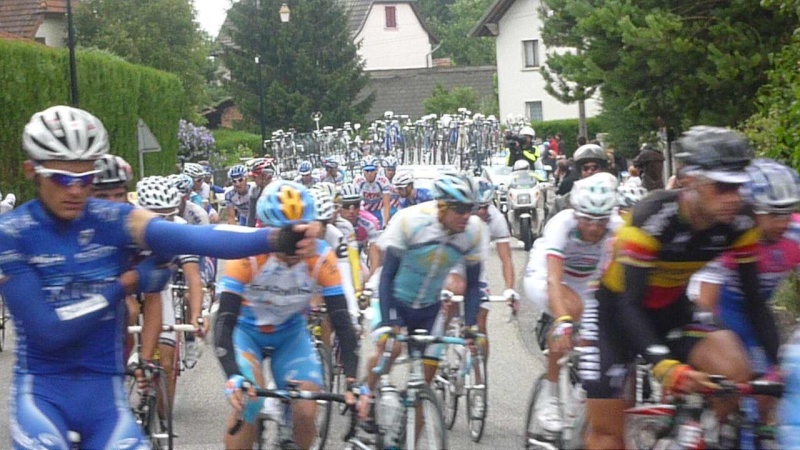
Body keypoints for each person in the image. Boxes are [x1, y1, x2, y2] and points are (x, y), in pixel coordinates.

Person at [0, 105, 321, 449]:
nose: (77, 190)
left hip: (105, 401)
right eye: (63, 178)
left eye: (86, 178)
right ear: (32, 171)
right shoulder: (13, 234)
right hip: (44, 396)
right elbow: (49, 331)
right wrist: (126, 284)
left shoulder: (113, 218)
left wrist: (276, 238)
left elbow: (198, 237)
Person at [581, 126, 770, 449]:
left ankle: (699, 434)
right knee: (609, 435)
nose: (733, 199)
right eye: (721, 187)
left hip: (673, 310)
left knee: (736, 374)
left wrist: (774, 369)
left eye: (739, 188)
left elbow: (755, 302)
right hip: (614, 314)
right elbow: (629, 304)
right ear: (688, 182)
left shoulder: (741, 222)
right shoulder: (652, 217)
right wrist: (666, 366)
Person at [214, 181, 359, 450]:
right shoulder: (247, 255)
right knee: (249, 401)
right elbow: (224, 322)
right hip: (245, 332)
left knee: (306, 408)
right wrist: (234, 376)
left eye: (304, 235)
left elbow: (342, 322)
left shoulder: (321, 258)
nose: (298, 247)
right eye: (289, 239)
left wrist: (352, 380)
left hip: (290, 334)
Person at [358, 171, 484, 426]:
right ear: (442, 206)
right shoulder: (410, 221)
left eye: (470, 208)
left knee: (422, 387)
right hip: (394, 299)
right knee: (390, 349)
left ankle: (408, 434)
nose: (466, 216)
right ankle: (366, 394)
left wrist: (471, 326)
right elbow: (387, 277)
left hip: (429, 308)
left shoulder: (472, 232)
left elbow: (473, 286)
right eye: (459, 209)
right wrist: (389, 322)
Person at [524, 173, 622, 435]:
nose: (593, 228)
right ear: (576, 212)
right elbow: (554, 280)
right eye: (587, 219)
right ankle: (550, 396)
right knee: (569, 313)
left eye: (601, 220)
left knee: (608, 336)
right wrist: (563, 321)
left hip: (586, 283)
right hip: (546, 276)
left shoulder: (618, 228)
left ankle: (582, 393)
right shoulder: (561, 224)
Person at [693, 159, 800, 376]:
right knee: (734, 380)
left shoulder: (795, 233)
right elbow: (704, 303)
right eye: (772, 214)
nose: (782, 223)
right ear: (750, 211)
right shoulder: (725, 237)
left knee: (772, 384)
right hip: (719, 311)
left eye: (787, 213)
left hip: (756, 310)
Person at [444, 177, 518, 363]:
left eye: (487, 206)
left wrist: (509, 288)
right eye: (478, 207)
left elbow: (506, 259)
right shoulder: (455, 216)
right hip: (453, 266)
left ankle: (479, 379)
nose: (483, 211)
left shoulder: (496, 219)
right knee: (450, 302)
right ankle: (438, 351)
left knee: (480, 323)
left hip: (476, 268)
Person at [339, 182, 381, 271]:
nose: (351, 210)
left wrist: (372, 278)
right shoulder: (333, 222)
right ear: (339, 207)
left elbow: (375, 255)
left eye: (355, 205)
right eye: (346, 206)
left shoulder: (370, 222)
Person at [354, 156, 391, 227]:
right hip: (364, 211)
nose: (369, 173)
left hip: (377, 211)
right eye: (367, 171)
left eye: (372, 170)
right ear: (363, 171)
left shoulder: (383, 181)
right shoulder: (358, 181)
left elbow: (386, 203)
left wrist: (386, 223)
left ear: (376, 170)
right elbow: (356, 202)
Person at [245, 158, 276, 227]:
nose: (253, 179)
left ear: (265, 176)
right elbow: (251, 214)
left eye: (255, 176)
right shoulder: (254, 189)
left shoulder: (278, 188)